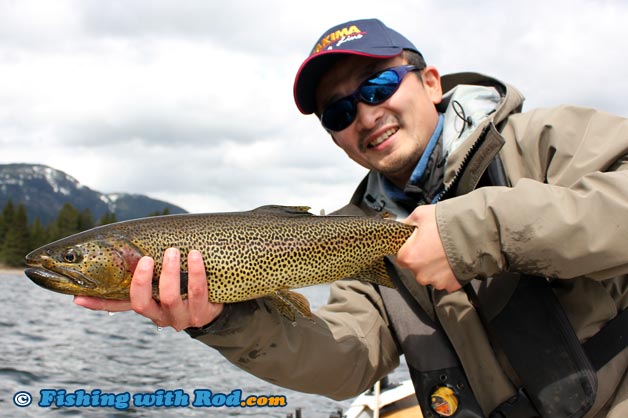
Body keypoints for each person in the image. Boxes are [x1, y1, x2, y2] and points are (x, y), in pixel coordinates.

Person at [75, 18, 628, 418]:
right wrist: (224, 321)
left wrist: (473, 232)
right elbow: (347, 360)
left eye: (379, 86)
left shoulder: (544, 141)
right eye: (339, 112)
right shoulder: (351, 234)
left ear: (431, 82)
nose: (365, 114)